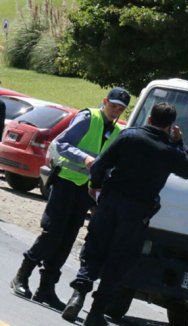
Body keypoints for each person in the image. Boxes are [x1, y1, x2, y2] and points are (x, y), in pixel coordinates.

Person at [61, 102, 188, 326]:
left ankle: (77, 296)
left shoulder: (129, 137)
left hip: (110, 202)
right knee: (118, 260)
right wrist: (180, 143)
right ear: (170, 126)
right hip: (137, 212)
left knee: (94, 250)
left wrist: (95, 187)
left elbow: (99, 165)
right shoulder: (170, 151)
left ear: (149, 119)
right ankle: (96, 313)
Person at [9, 88, 130, 309]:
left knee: (67, 239)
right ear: (105, 102)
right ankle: (22, 276)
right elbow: (60, 144)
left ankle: (46, 288)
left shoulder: (116, 132)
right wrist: (84, 158)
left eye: (120, 109)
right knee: (52, 233)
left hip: (86, 191)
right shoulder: (88, 118)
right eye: (113, 106)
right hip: (65, 182)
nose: (116, 111)